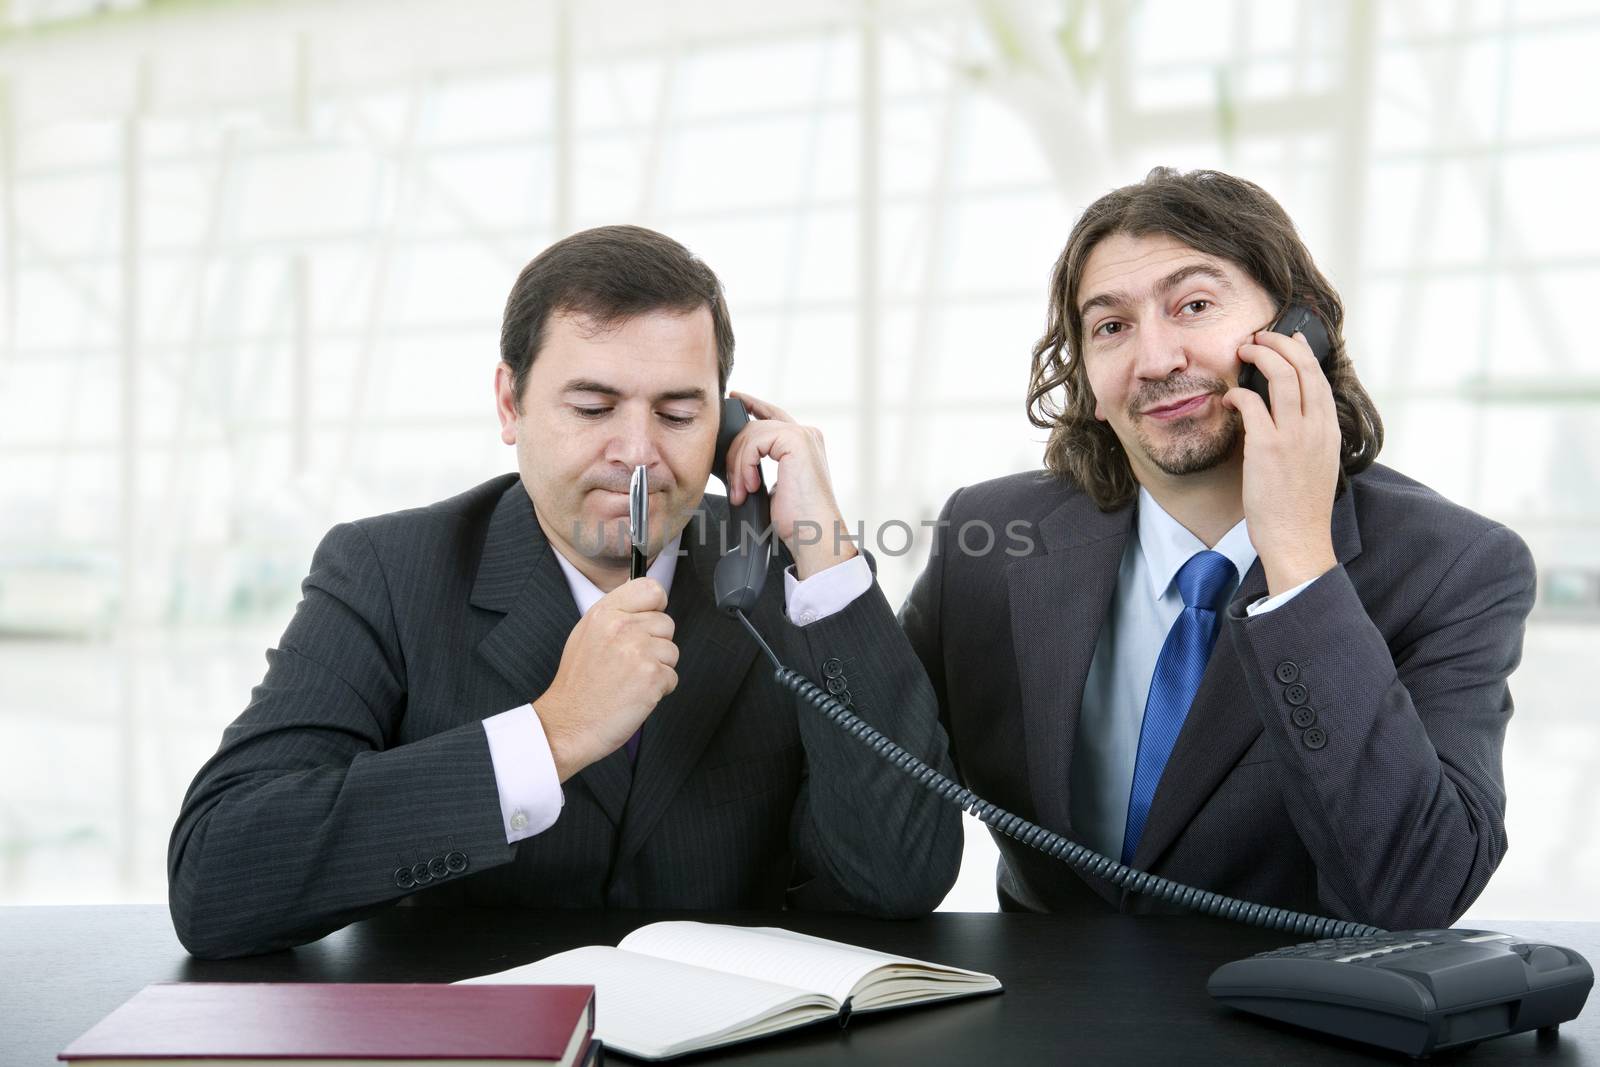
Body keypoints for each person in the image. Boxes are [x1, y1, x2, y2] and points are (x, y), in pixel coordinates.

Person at [167, 225, 961, 959]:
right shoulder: (385, 570)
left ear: (728, 422)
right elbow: (217, 878)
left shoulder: (796, 575)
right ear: (510, 404)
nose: (639, 453)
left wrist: (824, 552)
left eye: (680, 413)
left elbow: (898, 880)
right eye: (592, 406)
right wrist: (548, 737)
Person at [809, 168, 1535, 930]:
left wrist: (1296, 560)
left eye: (1193, 305)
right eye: (1112, 327)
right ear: (1088, 378)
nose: (1155, 360)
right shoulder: (987, 540)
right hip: (1038, 1024)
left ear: (1297, 332)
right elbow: (879, 823)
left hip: (1298, 1033)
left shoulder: (1457, 567)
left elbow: (1417, 889)